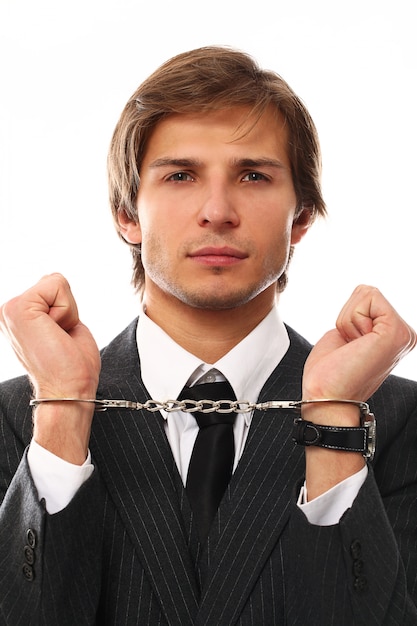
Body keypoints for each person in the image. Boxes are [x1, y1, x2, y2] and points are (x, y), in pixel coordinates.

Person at [0, 46, 416, 626]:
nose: (217, 211)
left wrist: (333, 423)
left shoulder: (398, 418)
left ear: (301, 216)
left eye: (253, 175)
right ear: (127, 213)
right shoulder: (19, 416)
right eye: (180, 175)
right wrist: (64, 413)